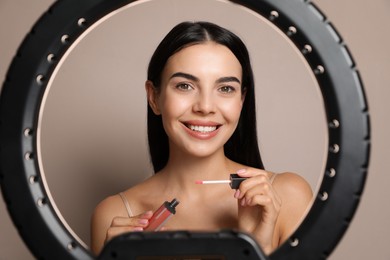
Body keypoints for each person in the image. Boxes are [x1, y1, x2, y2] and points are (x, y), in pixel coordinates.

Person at [90, 21, 313, 256]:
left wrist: (259, 248)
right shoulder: (115, 214)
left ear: (242, 101)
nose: (205, 107)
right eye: (185, 86)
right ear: (154, 97)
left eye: (225, 88)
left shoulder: (288, 197)